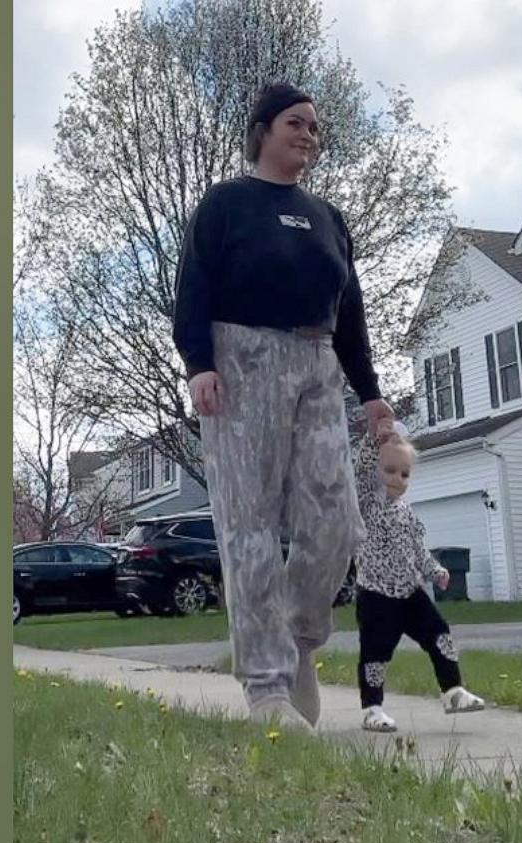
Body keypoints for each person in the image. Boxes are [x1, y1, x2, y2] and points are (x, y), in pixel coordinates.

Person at [173, 82, 395, 729]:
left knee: (336, 523)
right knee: (251, 527)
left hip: (318, 366)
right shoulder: (226, 204)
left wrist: (372, 393)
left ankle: (296, 643)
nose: (309, 135)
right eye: (296, 123)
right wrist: (199, 365)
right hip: (241, 362)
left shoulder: (329, 218)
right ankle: (266, 687)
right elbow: (195, 285)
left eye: (316, 128)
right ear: (263, 129)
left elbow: (350, 314)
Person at [351, 420, 487, 732]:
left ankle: (453, 691)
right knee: (375, 653)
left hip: (410, 592)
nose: (397, 479)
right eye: (389, 471)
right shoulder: (367, 504)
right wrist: (376, 439)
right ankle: (372, 709)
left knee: (439, 632)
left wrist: (435, 570)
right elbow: (360, 469)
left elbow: (419, 549)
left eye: (404, 473)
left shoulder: (406, 513)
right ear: (374, 472)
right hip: (375, 595)